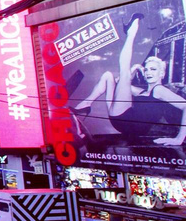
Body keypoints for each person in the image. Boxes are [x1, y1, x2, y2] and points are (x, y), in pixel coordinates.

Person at [72, 14, 186, 146]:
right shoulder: (143, 91)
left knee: (124, 71)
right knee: (108, 76)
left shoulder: (159, 90)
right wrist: (135, 68)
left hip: (128, 122)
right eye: (147, 69)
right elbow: (118, 81)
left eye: (153, 69)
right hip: (122, 120)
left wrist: (179, 139)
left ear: (162, 73)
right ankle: (86, 104)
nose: (148, 72)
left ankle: (131, 33)